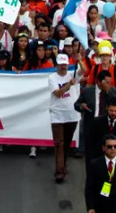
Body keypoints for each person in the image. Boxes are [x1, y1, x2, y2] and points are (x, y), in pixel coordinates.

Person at [74, 68, 116, 166]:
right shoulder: (87, 91)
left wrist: (107, 90)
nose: (109, 84)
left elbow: (115, 104)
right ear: (99, 81)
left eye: (110, 82)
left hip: (105, 127)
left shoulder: (112, 91)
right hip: (90, 126)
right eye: (106, 82)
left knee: (104, 156)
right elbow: (76, 105)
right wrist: (81, 106)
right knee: (90, 156)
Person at [49, 53, 80, 183]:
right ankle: (59, 171)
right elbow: (58, 93)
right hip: (57, 114)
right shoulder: (52, 78)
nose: (63, 66)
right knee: (59, 143)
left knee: (66, 142)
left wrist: (80, 60)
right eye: (61, 64)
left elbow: (84, 70)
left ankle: (63, 164)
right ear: (57, 64)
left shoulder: (72, 74)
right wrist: (68, 85)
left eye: (65, 64)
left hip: (72, 114)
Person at [85, 135, 116, 213]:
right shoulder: (94, 164)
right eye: (109, 146)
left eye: (115, 146)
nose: (113, 149)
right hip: (100, 206)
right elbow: (89, 187)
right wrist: (90, 207)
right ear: (103, 148)